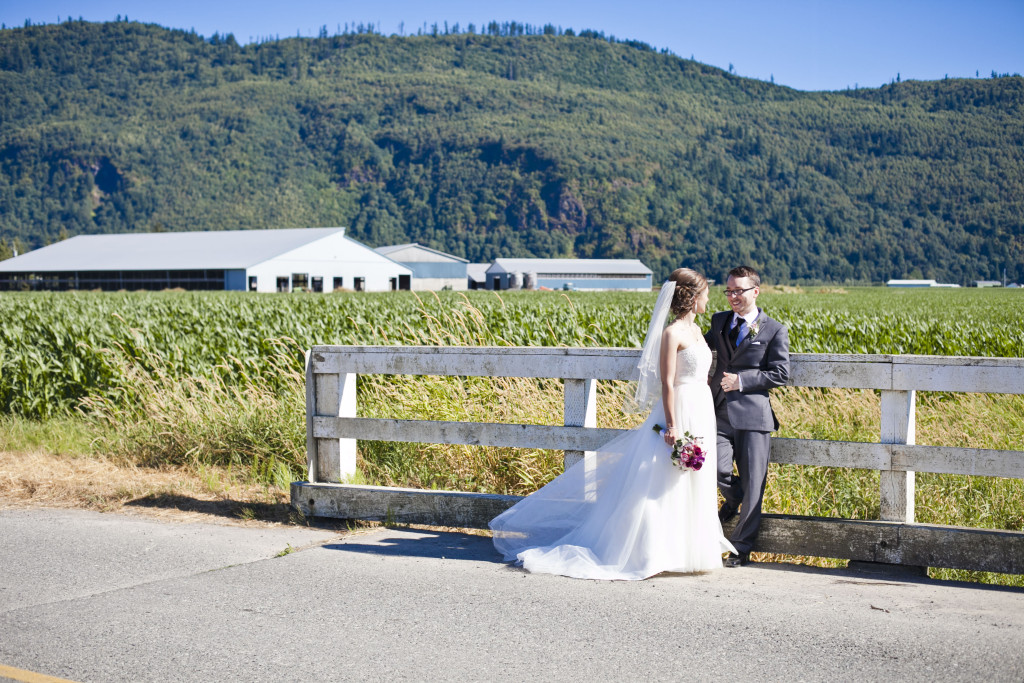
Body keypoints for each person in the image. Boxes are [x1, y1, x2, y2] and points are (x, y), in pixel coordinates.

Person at [490, 268, 736, 580]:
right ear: (692, 297)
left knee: (692, 478)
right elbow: (668, 384)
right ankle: (653, 550)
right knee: (663, 478)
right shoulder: (671, 334)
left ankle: (690, 550)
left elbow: (702, 371)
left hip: (700, 407)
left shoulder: (699, 333)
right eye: (705, 294)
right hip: (680, 409)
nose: (708, 299)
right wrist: (672, 425)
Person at [705, 266, 790, 567]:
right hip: (718, 412)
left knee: (755, 485)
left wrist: (742, 381)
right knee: (714, 468)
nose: (732, 297)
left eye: (738, 291)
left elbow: (780, 373)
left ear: (755, 291)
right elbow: (699, 349)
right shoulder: (718, 322)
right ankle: (732, 496)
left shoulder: (774, 330)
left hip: (754, 418)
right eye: (729, 291)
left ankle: (740, 548)